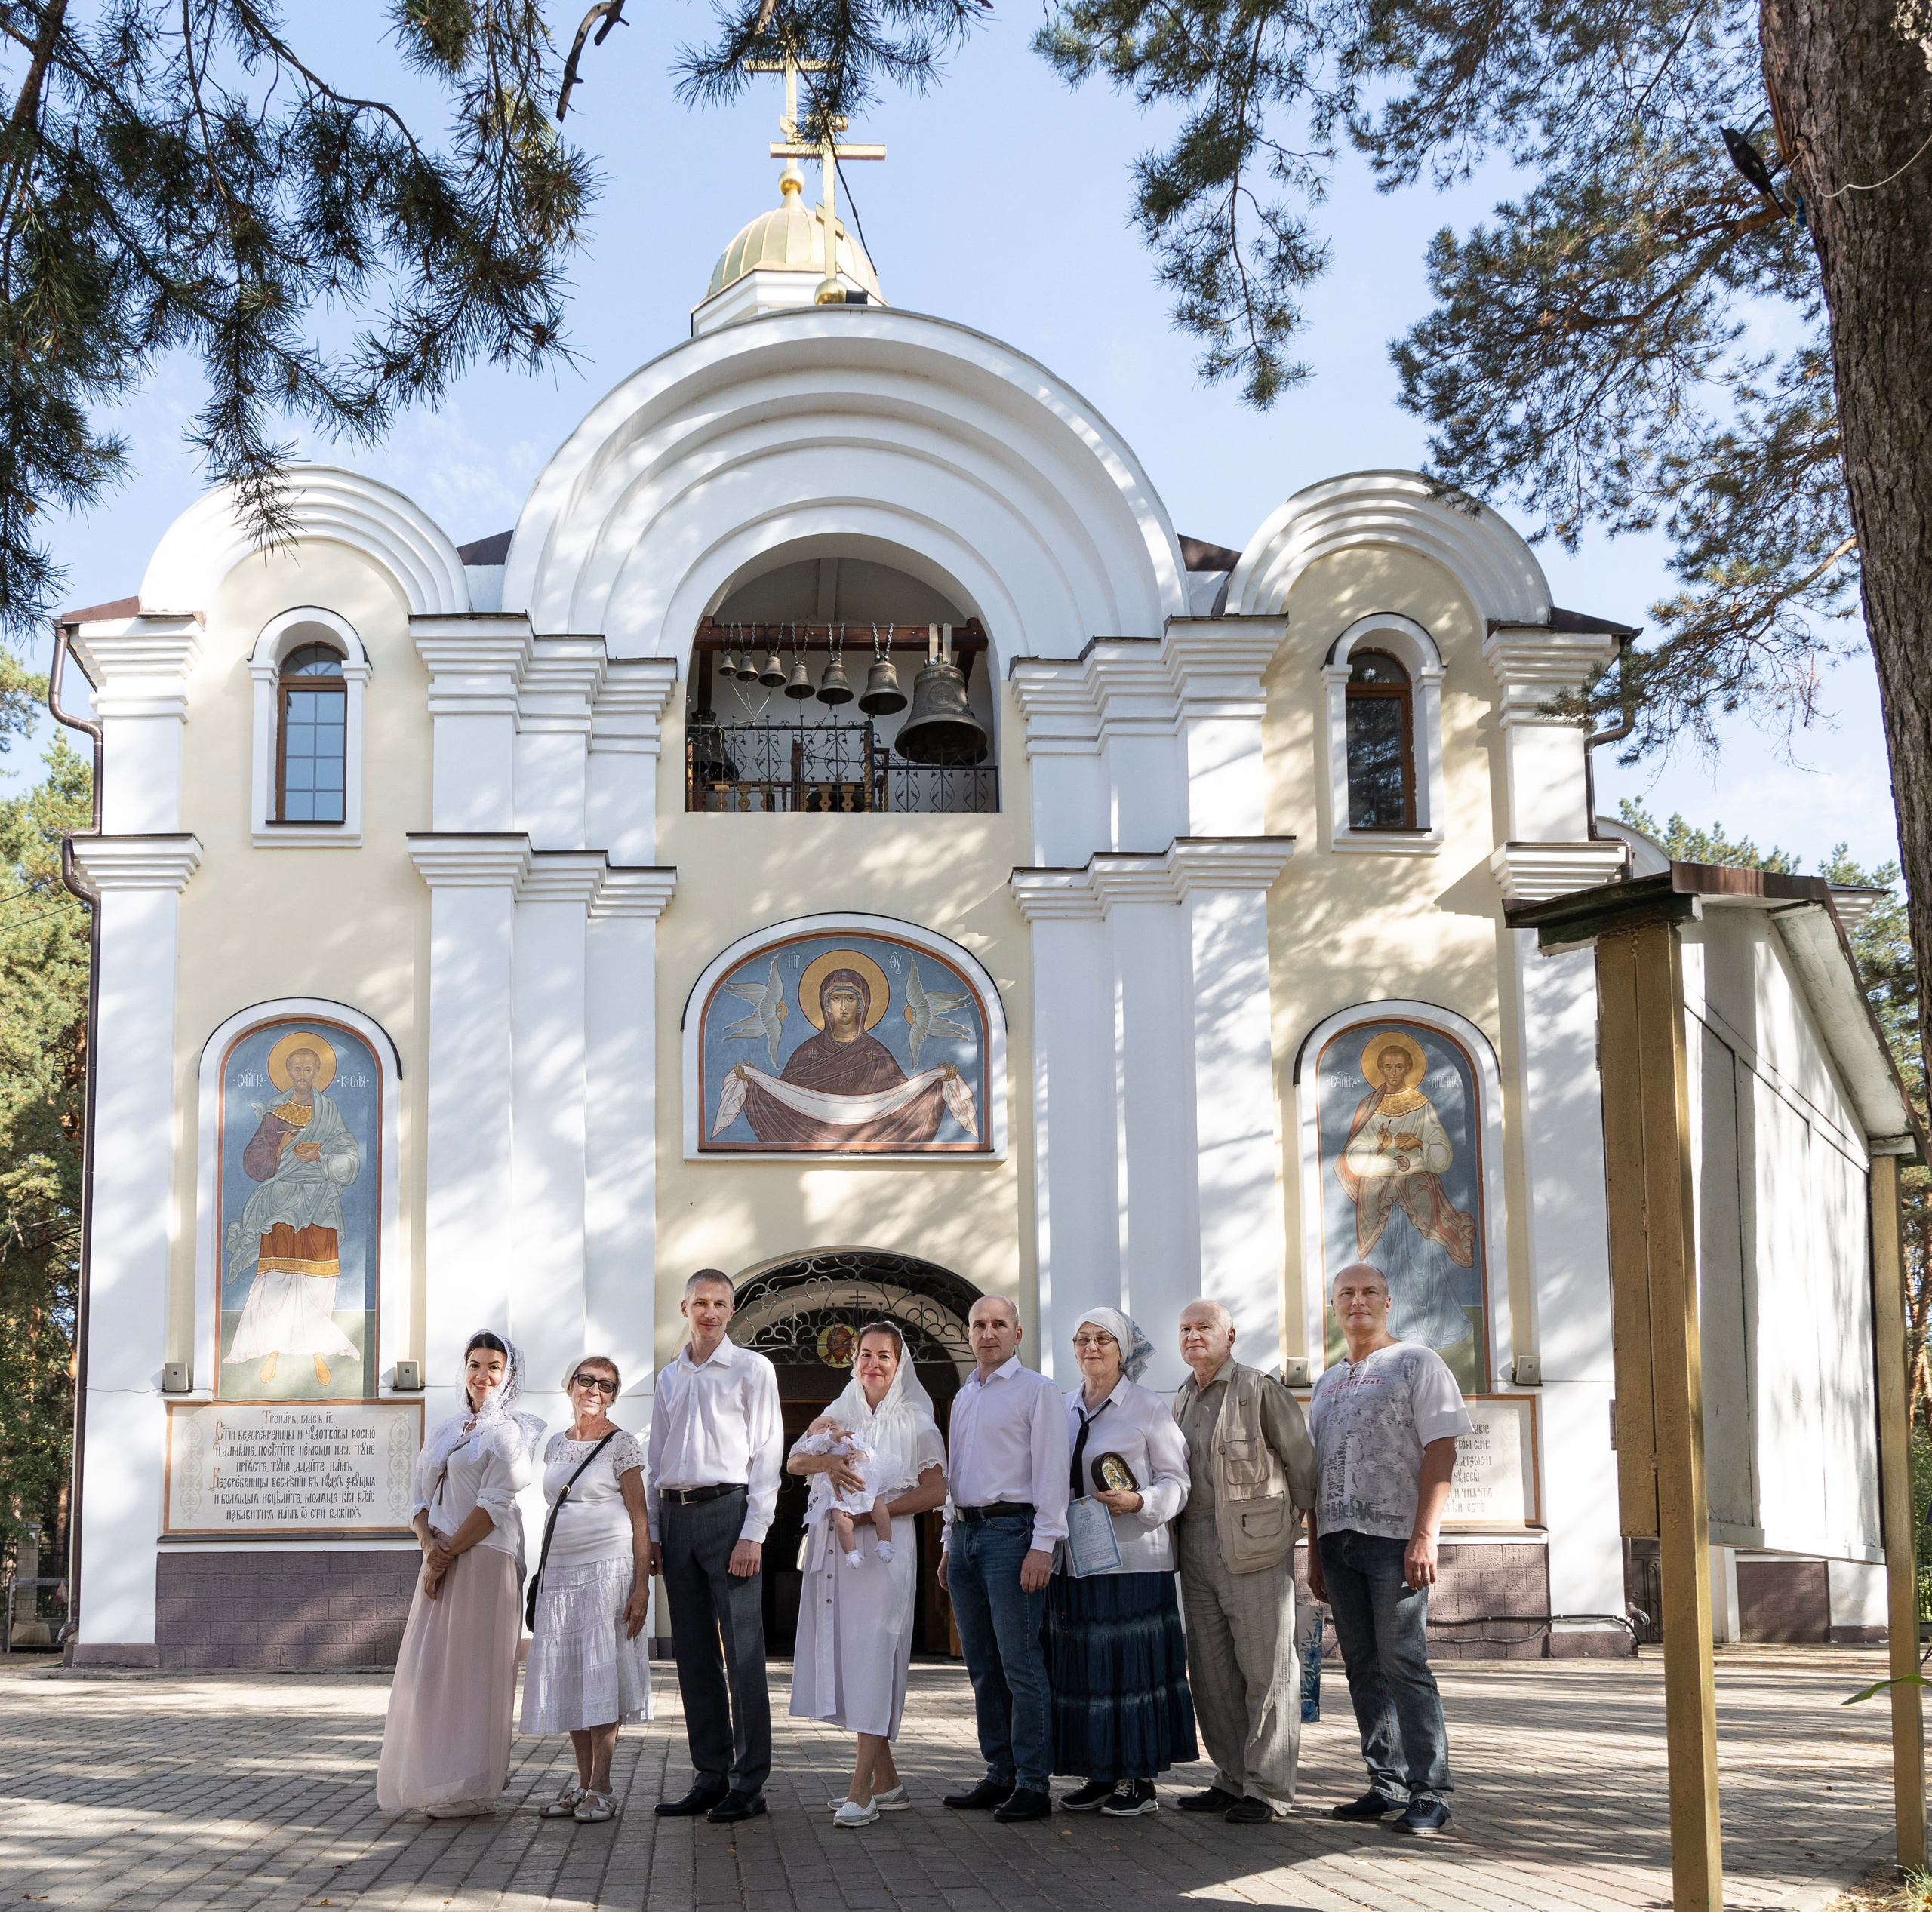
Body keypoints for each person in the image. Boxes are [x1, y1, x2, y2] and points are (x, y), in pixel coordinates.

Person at [1306, 1262, 1472, 1836]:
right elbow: (1314, 1469)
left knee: (1404, 1662)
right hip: (1337, 1541)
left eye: (1368, 1292)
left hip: (1394, 1540)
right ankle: (1387, 1781)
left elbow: (1442, 1449)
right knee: (1360, 1664)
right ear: (1334, 1306)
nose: (1357, 1301)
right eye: (1346, 1293)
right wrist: (1312, 1549)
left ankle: (1430, 1790)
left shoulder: (1417, 1362)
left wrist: (1425, 1534)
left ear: (1388, 1300)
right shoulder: (1327, 1382)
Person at [788, 1320, 949, 1827]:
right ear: (853, 1360)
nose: (873, 1364)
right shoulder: (839, 1412)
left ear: (899, 1364)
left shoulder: (916, 1418)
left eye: (884, 1356)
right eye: (864, 1354)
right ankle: (889, 1783)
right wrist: (827, 1468)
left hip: (882, 1549)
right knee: (849, 1657)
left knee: (876, 1655)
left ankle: (862, 1790)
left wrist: (870, 1511)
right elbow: (793, 1462)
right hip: (836, 1551)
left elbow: (937, 1490)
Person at [377, 1329, 542, 1817]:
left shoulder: (511, 1433)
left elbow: (495, 1503)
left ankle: (469, 1782)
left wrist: (444, 1555)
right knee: (433, 1675)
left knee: (472, 1674)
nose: (483, 1375)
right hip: (441, 1559)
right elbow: (418, 1501)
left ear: (509, 1375)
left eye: (494, 1367)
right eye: (475, 1364)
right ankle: (433, 1776)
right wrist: (430, 1549)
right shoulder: (446, 1429)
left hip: (485, 1559)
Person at [1171, 1298, 1318, 1823]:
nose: (1193, 1336)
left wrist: (1290, 1534)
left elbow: (1303, 1465)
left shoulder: (1259, 1388)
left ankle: (1269, 1787)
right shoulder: (1183, 1398)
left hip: (1254, 1546)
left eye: (1203, 1327)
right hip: (1194, 1542)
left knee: (1267, 1670)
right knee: (1211, 1673)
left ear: (1229, 1336)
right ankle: (1231, 1777)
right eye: (1185, 1329)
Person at [1047, 1307, 1196, 1818]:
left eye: (1103, 1340)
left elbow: (1178, 1481)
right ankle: (1100, 1772)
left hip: (1135, 1559)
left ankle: (1138, 1778)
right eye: (1082, 1338)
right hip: (1079, 1561)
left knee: (1132, 1671)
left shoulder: (1149, 1408)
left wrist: (1141, 1503)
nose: (1091, 1348)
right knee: (1090, 1670)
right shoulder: (1062, 1408)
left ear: (1123, 1350)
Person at [646, 1269, 783, 1824]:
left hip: (730, 1515)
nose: (709, 1312)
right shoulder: (669, 1377)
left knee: (743, 1655)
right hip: (676, 1520)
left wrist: (754, 1532)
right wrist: (654, 1535)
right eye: (699, 1302)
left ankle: (749, 1784)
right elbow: (656, 1461)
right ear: (685, 1309)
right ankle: (710, 1773)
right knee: (695, 1656)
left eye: (719, 1303)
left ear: (732, 1310)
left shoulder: (753, 1369)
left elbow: (767, 1455)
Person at [938, 1295, 1071, 1824]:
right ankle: (1000, 1772)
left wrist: (1044, 1544)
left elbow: (1052, 1472)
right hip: (968, 1538)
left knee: (1021, 1664)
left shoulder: (1038, 1392)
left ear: (1017, 1334)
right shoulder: (964, 1396)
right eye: (978, 1325)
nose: (987, 1333)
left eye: (999, 1325)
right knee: (982, 1667)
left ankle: (1034, 1784)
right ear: (968, 1334)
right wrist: (950, 1542)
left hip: (1013, 1536)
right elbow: (955, 1476)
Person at [521, 1354, 654, 1824]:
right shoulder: (556, 1445)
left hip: (609, 1570)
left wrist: (642, 1588)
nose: (594, 1390)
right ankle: (582, 1784)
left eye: (606, 1385)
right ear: (570, 1386)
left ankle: (602, 1786)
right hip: (560, 1571)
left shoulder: (622, 1446)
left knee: (601, 1672)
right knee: (573, 1673)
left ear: (614, 1395)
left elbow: (641, 1521)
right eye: (586, 1381)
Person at [226, 1038, 361, 1388]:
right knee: (276, 1274)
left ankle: (316, 1349)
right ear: (287, 1072)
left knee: (319, 1276)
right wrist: (283, 1144)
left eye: (308, 1069)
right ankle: (271, 1347)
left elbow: (347, 1150)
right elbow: (256, 1158)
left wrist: (320, 1157)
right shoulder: (274, 1109)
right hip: (282, 1199)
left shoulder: (328, 1109)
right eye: (296, 1069)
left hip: (320, 1200)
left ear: (318, 1072)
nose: (302, 1075)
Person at [795, 1415, 897, 1567]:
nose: (829, 1426)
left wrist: (861, 1454)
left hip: (863, 1489)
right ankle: (851, 1553)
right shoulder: (817, 1447)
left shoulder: (854, 1442)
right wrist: (833, 1437)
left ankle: (884, 1544)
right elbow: (814, 1447)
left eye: (833, 1423)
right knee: (842, 1523)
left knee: (881, 1510)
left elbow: (870, 1452)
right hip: (839, 1495)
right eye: (822, 1426)